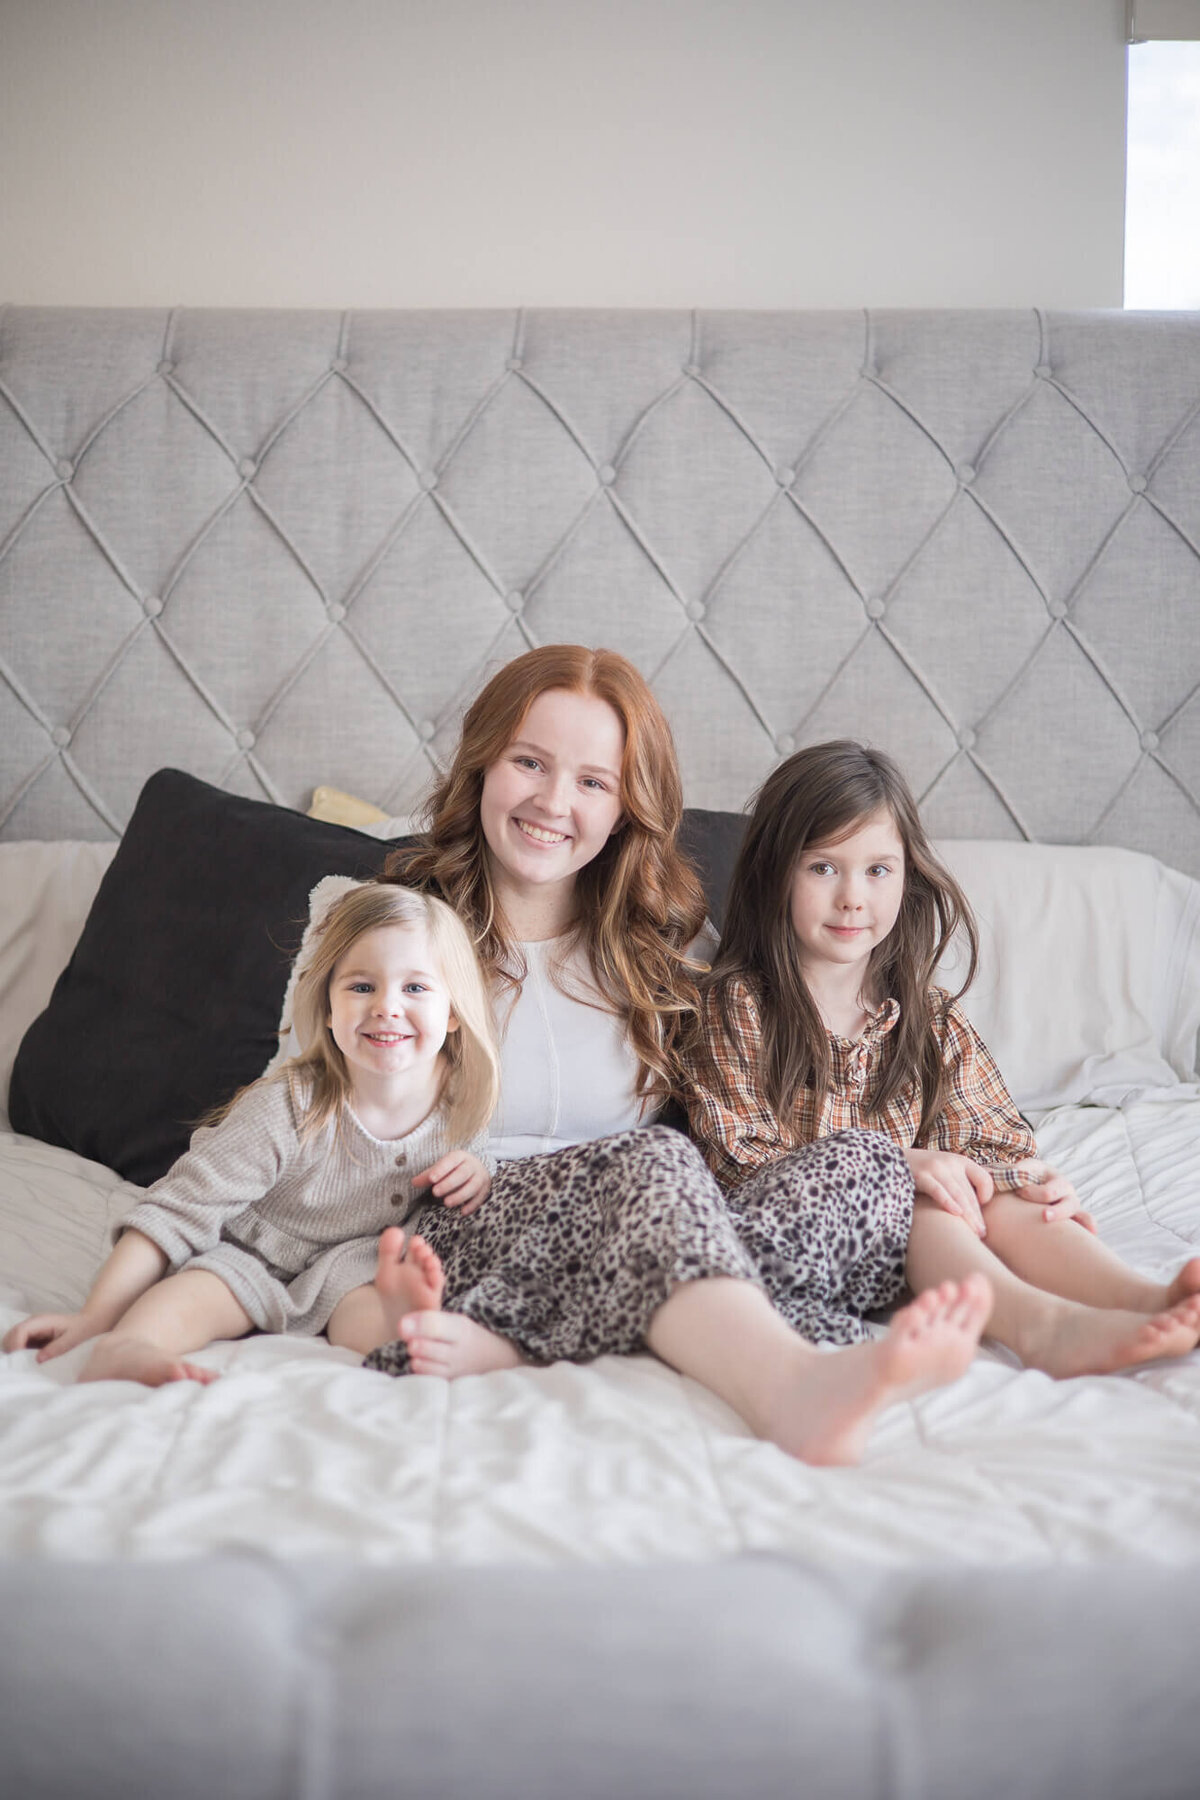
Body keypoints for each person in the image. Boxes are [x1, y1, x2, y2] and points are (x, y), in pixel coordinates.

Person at [355, 646, 992, 1468]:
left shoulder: (662, 942)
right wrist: (355, 1302)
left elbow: (772, 1072)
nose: (554, 801)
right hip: (467, 1227)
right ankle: (790, 1384)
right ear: (483, 764)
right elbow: (306, 1131)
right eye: (529, 763)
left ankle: (653, 1330)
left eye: (593, 781)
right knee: (658, 1157)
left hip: (639, 1222)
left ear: (626, 806)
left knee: (868, 1164)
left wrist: (907, 1156)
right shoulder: (392, 931)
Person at [681, 738, 1200, 1379]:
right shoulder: (738, 1004)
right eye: (822, 868)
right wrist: (896, 1165)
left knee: (990, 1189)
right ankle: (1042, 1329)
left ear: (907, 876)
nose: (852, 897)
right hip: (799, 1250)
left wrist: (1031, 1180)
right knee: (927, 1200)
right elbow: (739, 1164)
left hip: (915, 1253)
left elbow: (984, 1143)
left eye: (878, 870)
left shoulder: (927, 1017)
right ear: (775, 873)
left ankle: (1144, 1298)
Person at [3, 884, 500, 1387]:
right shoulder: (290, 1105)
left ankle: (405, 1320)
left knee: (362, 1318)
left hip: (351, 1265)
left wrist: (478, 1169)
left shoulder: (461, 1106)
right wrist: (94, 1316)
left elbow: (477, 1157)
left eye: (415, 988)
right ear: (329, 1007)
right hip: (248, 1250)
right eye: (361, 987)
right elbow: (178, 1208)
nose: (386, 1007)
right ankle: (126, 1346)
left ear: (454, 1010)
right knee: (199, 1294)